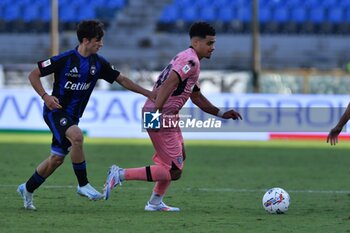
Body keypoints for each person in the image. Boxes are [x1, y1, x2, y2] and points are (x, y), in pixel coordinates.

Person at [103, 22, 242, 211]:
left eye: (214, 43)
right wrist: (157, 112)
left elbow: (197, 96)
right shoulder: (190, 61)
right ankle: (120, 174)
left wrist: (221, 113)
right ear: (196, 42)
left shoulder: (188, 58)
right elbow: (169, 83)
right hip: (159, 114)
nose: (213, 47)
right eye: (210, 43)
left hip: (168, 116)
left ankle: (155, 202)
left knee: (178, 159)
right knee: (173, 170)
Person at [17, 20, 154, 210]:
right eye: (98, 40)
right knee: (77, 137)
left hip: (73, 117)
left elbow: (121, 79)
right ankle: (83, 185)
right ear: (85, 40)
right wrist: (45, 96)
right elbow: (33, 75)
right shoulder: (64, 59)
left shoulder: (98, 63)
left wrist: (148, 93)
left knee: (56, 159)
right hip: (55, 111)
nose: (101, 44)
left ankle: (27, 188)